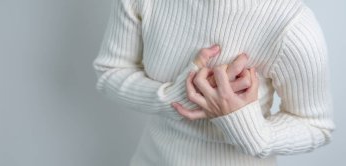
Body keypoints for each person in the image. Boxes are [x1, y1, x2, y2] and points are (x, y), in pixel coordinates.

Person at [92, 0, 335, 165]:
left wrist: (253, 133)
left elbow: (316, 126)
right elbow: (110, 73)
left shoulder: (290, 22)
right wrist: (179, 96)